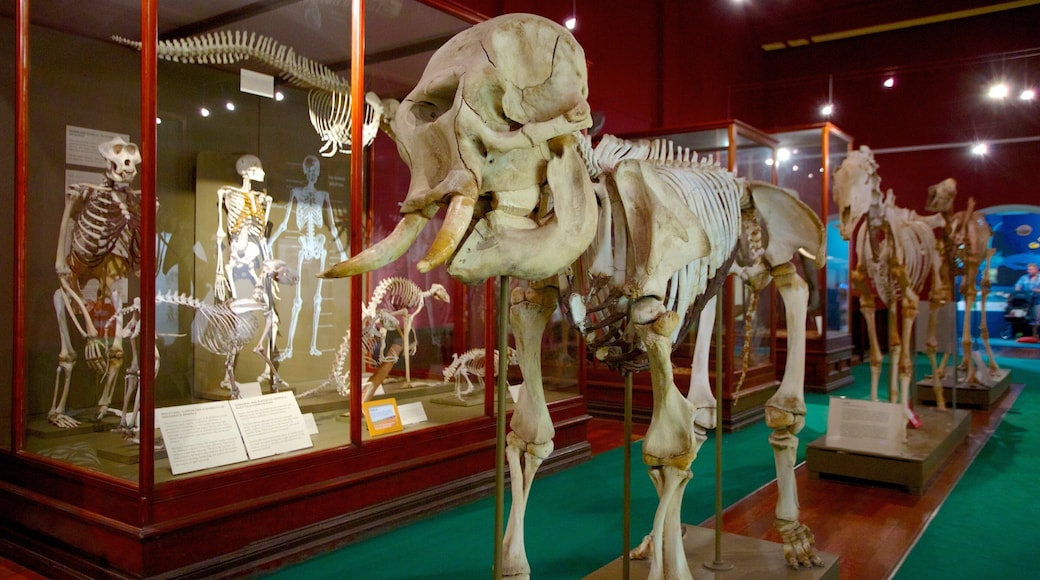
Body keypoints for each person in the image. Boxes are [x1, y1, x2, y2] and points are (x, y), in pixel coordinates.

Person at [1014, 262, 1040, 334]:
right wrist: (1018, 289)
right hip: (1025, 302)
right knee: (1024, 318)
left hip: (1037, 302)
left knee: (1037, 319)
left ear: (1036, 270)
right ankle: (1024, 333)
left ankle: (1036, 334)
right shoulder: (1024, 277)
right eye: (1028, 269)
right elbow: (1017, 286)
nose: (1029, 271)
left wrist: (1037, 290)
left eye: (1031, 269)